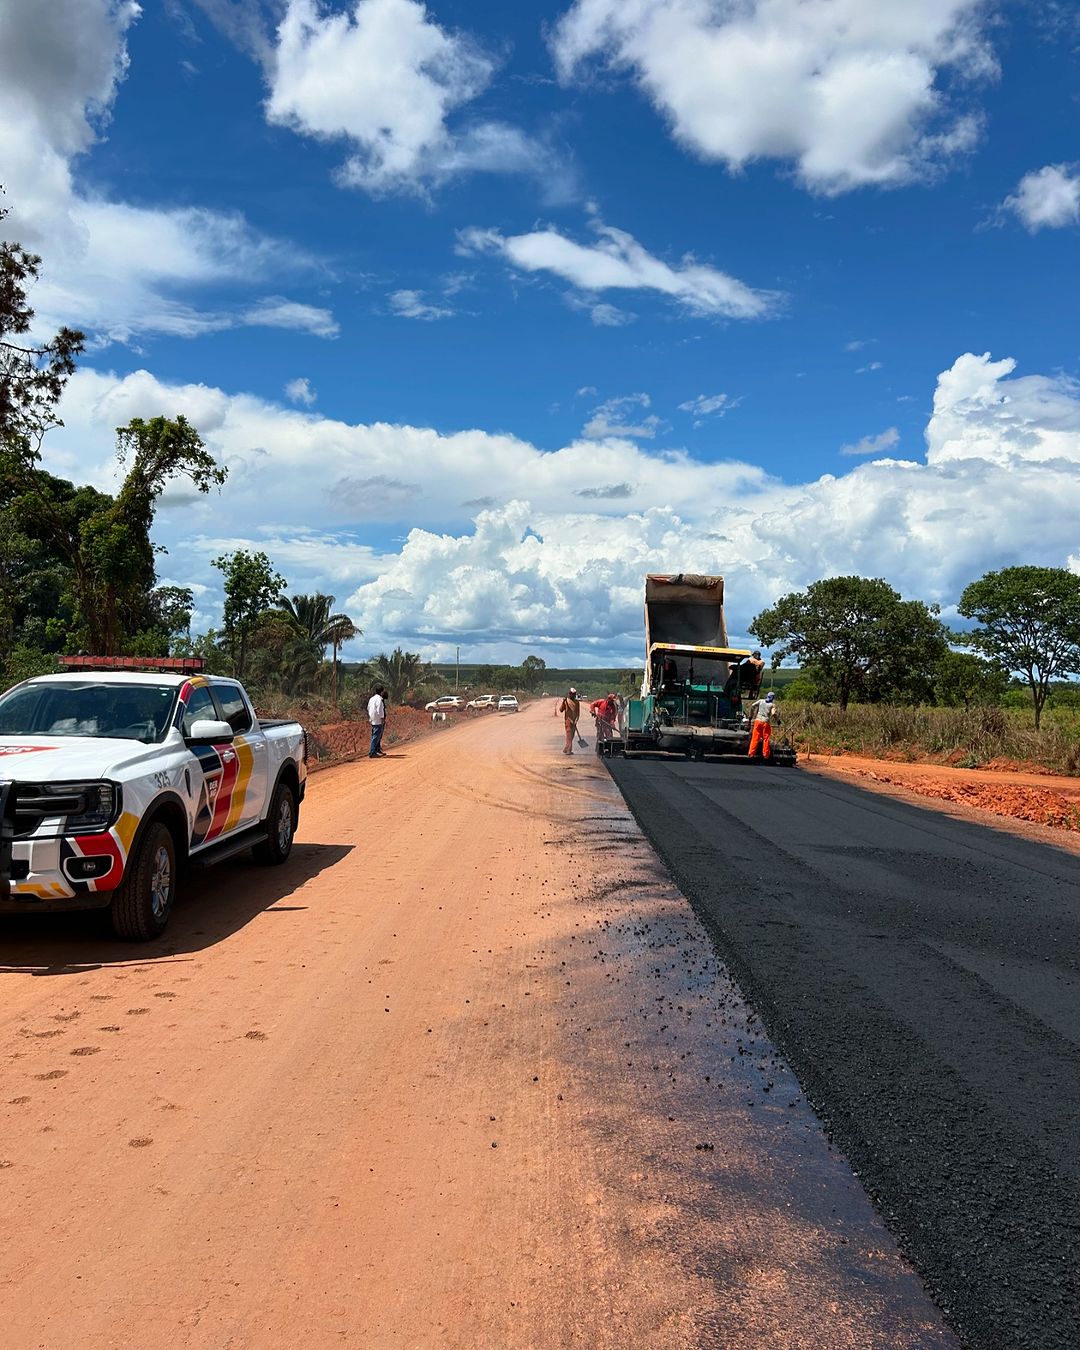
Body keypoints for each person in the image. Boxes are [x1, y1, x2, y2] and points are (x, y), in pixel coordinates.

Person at [747, 690, 777, 760]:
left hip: (757, 721)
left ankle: (751, 753)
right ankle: (766, 755)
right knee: (766, 738)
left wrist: (751, 715)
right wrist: (778, 720)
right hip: (765, 722)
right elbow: (773, 713)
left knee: (755, 738)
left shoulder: (761, 701)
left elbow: (752, 705)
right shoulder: (772, 705)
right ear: (773, 698)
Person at [555, 686, 581, 755]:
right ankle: (569, 750)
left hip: (574, 722)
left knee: (572, 736)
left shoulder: (577, 702)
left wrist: (576, 720)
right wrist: (563, 703)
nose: (572, 695)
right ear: (569, 694)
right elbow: (561, 710)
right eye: (571, 694)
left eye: (574, 694)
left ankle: (566, 748)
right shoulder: (566, 701)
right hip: (568, 721)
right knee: (569, 735)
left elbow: (578, 713)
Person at [368, 684, 387, 758]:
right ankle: (372, 752)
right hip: (378, 720)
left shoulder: (371, 699)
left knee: (377, 735)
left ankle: (377, 750)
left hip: (373, 719)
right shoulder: (379, 700)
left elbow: (368, 708)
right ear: (381, 692)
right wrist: (382, 718)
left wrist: (371, 717)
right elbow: (380, 710)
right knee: (376, 736)